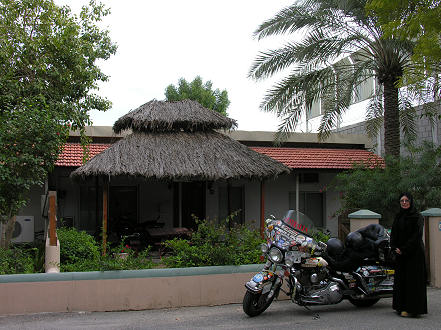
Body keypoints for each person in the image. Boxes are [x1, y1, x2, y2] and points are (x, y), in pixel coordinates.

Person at [390, 192, 427, 317]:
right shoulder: (398, 216)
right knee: (401, 281)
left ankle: (413, 309)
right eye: (402, 201)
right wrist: (395, 247)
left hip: (414, 254)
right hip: (400, 254)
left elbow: (416, 236)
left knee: (413, 282)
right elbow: (393, 233)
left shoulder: (417, 217)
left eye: (407, 201)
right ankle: (401, 307)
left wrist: (404, 249)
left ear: (411, 202)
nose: (404, 203)